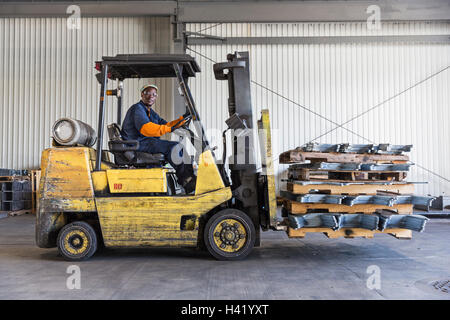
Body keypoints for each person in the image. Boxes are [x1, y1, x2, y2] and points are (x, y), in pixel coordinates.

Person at [121, 84, 196, 193]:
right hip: (137, 144)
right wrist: (168, 129)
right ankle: (186, 180)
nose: (151, 96)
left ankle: (190, 177)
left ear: (156, 97)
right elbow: (146, 129)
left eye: (154, 95)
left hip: (144, 142)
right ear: (142, 94)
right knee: (174, 147)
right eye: (148, 93)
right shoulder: (137, 109)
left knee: (180, 146)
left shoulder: (149, 111)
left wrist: (182, 119)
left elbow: (166, 124)